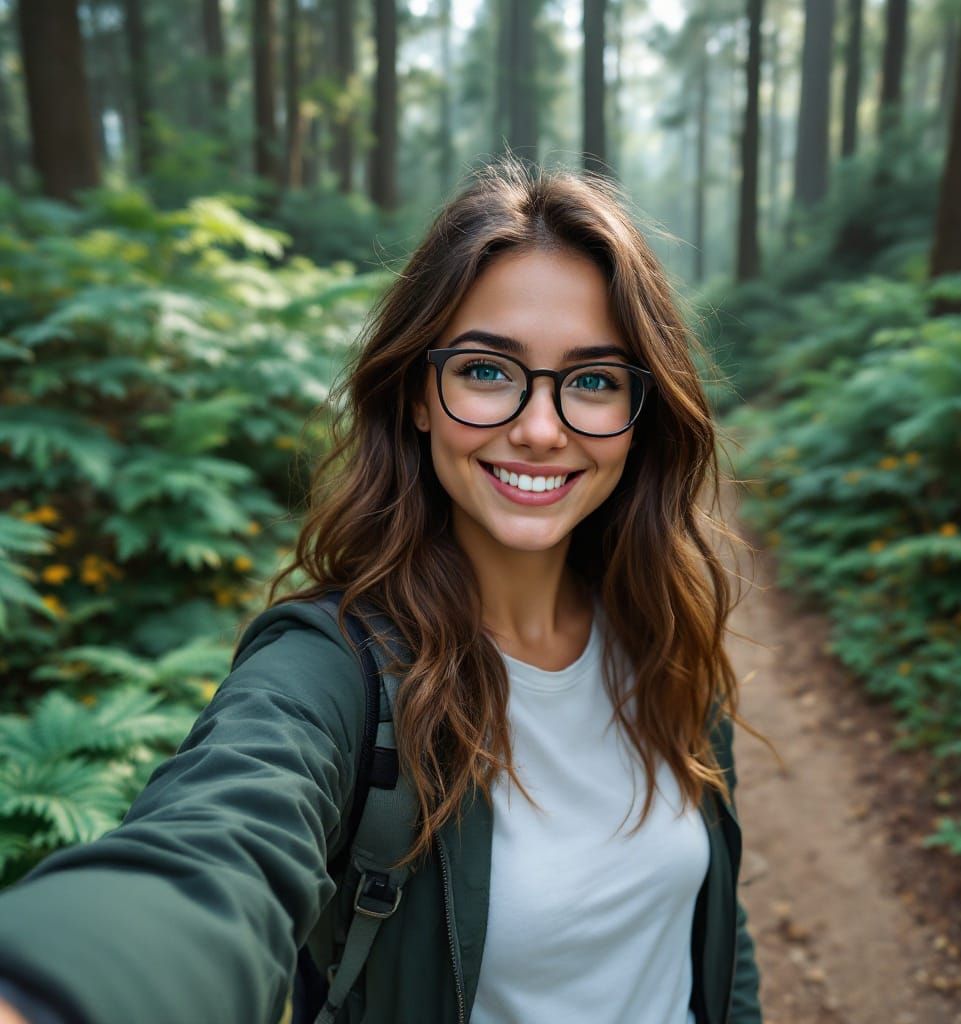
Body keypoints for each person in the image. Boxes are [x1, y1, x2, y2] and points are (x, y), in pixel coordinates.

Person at [0, 156, 767, 1024]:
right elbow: (220, 846)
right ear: (416, 395)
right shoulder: (332, 673)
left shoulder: (661, 631)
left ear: (641, 415)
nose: (541, 429)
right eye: (486, 370)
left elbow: (713, 925)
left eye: (593, 381)